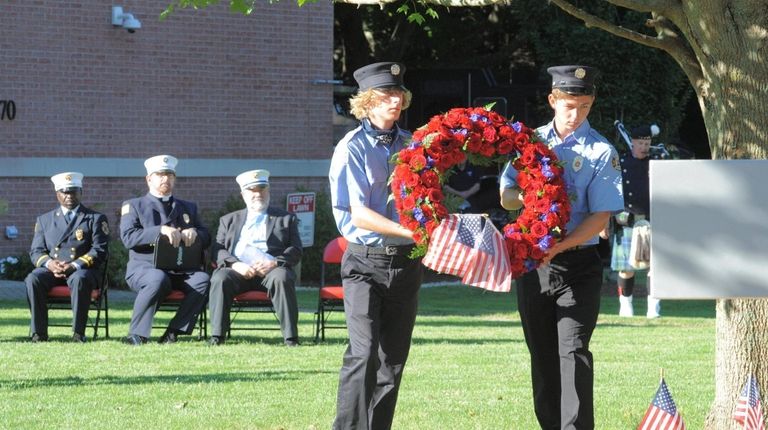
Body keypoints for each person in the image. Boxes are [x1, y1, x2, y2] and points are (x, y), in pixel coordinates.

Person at [500, 65, 623, 430]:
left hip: (578, 264)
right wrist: (527, 195)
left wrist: (560, 245)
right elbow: (506, 195)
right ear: (553, 100)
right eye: (569, 105)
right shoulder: (528, 141)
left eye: (584, 106)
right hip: (533, 266)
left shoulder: (601, 150)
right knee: (542, 355)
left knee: (573, 352)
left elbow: (600, 217)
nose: (576, 114)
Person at [328, 61, 422, 430]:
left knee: (393, 359)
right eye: (385, 96)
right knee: (363, 354)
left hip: (405, 264)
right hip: (364, 263)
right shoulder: (350, 147)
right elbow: (360, 215)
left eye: (398, 94)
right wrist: (412, 232)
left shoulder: (414, 144)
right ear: (367, 102)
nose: (394, 101)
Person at [119, 155, 210, 345]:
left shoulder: (188, 207)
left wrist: (195, 233)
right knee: (158, 278)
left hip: (180, 269)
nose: (165, 179)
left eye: (169, 175)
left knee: (203, 280)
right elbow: (129, 238)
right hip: (145, 269)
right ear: (148, 179)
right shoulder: (134, 206)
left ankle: (173, 332)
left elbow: (207, 236)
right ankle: (137, 334)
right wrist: (159, 230)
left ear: (174, 178)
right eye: (159, 174)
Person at [208, 169, 303, 346]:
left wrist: (274, 263)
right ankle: (217, 336)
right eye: (252, 190)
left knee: (282, 277)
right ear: (243, 194)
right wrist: (235, 264)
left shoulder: (286, 218)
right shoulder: (228, 220)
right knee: (219, 278)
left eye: (261, 189)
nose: (257, 194)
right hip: (239, 271)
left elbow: (296, 249)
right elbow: (217, 250)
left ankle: (291, 338)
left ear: (268, 190)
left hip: (271, 271)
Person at [25, 172, 110, 343]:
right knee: (32, 278)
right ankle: (38, 333)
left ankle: (78, 333)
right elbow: (36, 251)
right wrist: (50, 264)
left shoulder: (95, 218)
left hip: (83, 270)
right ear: (57, 193)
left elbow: (99, 250)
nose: (69, 196)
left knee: (80, 279)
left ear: (81, 192)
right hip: (53, 270)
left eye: (73, 192)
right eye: (64, 192)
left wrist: (75, 265)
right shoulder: (44, 220)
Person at [609, 124, 661, 318]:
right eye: (640, 143)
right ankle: (626, 307)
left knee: (655, 268)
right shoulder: (621, 163)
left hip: (653, 221)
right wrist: (610, 219)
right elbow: (612, 192)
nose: (644, 147)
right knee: (626, 269)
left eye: (647, 143)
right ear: (633, 142)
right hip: (628, 222)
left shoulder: (657, 162)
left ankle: (653, 309)